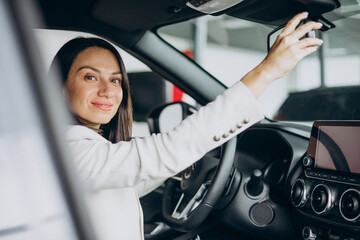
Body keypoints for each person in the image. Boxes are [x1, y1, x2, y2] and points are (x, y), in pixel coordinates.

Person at [51, 12, 323, 239]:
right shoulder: (67, 151)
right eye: (90, 77)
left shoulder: (85, 153)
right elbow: (166, 152)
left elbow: (128, 182)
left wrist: (192, 163)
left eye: (115, 80)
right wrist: (268, 71)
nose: (107, 91)